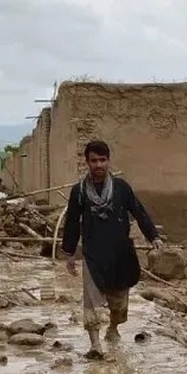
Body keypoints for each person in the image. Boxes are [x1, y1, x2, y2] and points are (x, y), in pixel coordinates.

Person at [61, 140, 164, 358]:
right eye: (93, 161)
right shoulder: (79, 191)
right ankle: (95, 345)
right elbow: (71, 222)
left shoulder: (121, 188)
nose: (98, 165)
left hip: (120, 253)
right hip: (93, 254)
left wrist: (153, 236)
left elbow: (139, 211)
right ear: (87, 162)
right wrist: (69, 253)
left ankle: (113, 327)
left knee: (118, 301)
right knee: (91, 300)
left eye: (102, 160)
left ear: (108, 161)